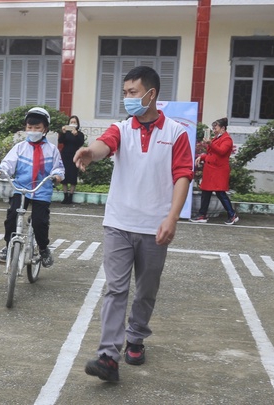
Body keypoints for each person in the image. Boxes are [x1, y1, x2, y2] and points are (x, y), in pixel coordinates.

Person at [74, 66, 193, 382]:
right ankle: (108, 357)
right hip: (118, 222)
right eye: (124, 93)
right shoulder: (121, 128)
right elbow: (104, 145)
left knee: (146, 289)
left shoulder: (177, 133)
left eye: (132, 93)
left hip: (155, 226)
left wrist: (172, 218)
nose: (127, 98)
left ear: (151, 94)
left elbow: (183, 176)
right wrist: (90, 152)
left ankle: (136, 336)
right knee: (115, 288)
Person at [0, 107, 65, 268]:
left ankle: (43, 249)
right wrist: (0, 169)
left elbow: (58, 168)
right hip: (21, 188)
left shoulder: (51, 150)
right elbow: (8, 164)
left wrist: (57, 175)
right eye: (29, 128)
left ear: (45, 129)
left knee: (40, 223)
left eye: (37, 128)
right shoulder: (20, 147)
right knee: (11, 217)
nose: (33, 131)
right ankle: (8, 245)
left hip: (42, 190)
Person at [190, 117, 239, 225]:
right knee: (206, 192)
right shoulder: (218, 137)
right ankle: (202, 214)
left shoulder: (227, 139)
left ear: (222, 128)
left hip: (218, 170)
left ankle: (232, 214)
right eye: (213, 128)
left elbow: (221, 152)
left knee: (220, 193)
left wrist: (210, 143)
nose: (214, 130)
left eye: (215, 128)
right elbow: (212, 154)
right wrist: (202, 157)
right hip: (212, 170)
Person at [57, 115, 85, 204]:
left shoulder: (80, 134)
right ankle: (65, 196)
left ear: (77, 124)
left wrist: (76, 135)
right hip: (65, 155)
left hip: (75, 155)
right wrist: (63, 132)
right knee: (64, 175)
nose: (73, 124)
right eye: (71, 122)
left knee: (73, 175)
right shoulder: (66, 133)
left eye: (74, 122)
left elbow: (80, 143)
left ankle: (71, 196)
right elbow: (60, 141)